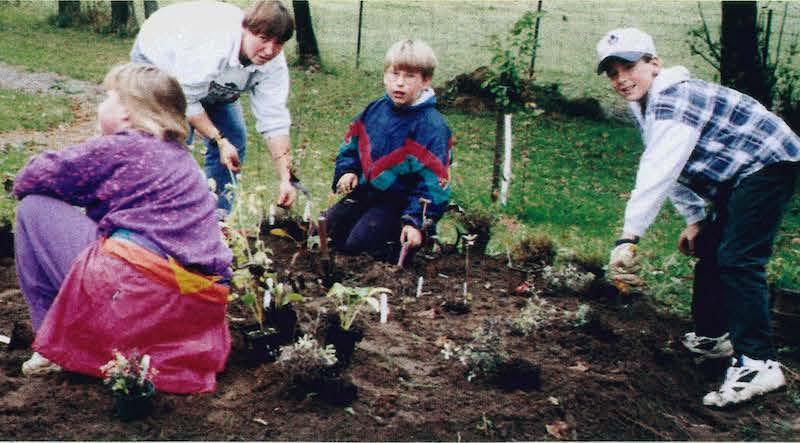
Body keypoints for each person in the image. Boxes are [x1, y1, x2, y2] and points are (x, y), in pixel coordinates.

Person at [597, 28, 799, 407]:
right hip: (739, 175)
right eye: (612, 72)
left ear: (654, 64)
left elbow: (658, 170)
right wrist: (695, 219)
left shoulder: (674, 99)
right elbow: (673, 166)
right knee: (712, 248)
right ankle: (714, 338)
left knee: (739, 259)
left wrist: (629, 237)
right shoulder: (649, 104)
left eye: (629, 66)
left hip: (769, 162)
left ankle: (759, 363)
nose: (622, 79)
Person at [13, 63, 233, 394]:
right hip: (192, 311)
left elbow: (32, 177)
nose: (101, 105)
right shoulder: (183, 160)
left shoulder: (120, 147)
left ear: (129, 113)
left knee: (34, 208)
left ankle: (51, 344)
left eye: (108, 97)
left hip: (135, 298)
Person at [131, 0, 296, 214]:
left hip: (208, 80)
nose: (269, 50)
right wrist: (218, 139)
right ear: (245, 29)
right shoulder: (213, 45)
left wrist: (286, 178)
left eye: (278, 43)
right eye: (263, 39)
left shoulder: (274, 64)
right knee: (174, 141)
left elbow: (274, 121)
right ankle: (158, 217)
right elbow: (187, 100)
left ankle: (215, 219)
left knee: (235, 138)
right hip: (159, 58)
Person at [326, 39, 452, 266]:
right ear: (385, 75)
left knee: (359, 245)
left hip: (399, 204)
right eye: (394, 74)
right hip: (366, 193)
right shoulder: (374, 111)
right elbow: (351, 146)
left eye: (410, 76)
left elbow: (435, 183)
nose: (400, 83)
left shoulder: (431, 127)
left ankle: (401, 251)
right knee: (327, 229)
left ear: (426, 81)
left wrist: (415, 221)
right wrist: (348, 171)